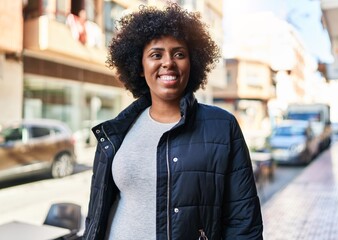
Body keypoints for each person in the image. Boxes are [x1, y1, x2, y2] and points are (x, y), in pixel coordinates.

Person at [83, 3, 263, 240]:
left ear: (192, 63)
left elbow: (244, 223)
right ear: (139, 66)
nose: (168, 62)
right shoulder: (116, 130)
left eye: (179, 54)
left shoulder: (223, 127)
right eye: (156, 55)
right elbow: (97, 213)